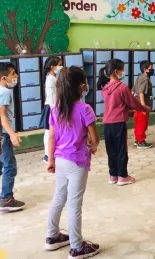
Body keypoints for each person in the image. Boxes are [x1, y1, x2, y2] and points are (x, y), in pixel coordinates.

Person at [45, 66, 101, 258]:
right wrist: (92, 147)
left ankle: (52, 237)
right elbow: (95, 139)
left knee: (59, 197)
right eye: (84, 81)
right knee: (75, 204)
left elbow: (52, 138)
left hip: (60, 160)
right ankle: (77, 247)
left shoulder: (55, 109)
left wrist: (51, 159)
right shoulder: (85, 109)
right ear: (80, 86)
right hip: (77, 162)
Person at [98, 59, 150, 186]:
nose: (123, 72)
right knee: (122, 150)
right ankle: (122, 176)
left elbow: (115, 105)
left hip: (107, 124)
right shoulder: (121, 87)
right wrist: (144, 108)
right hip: (119, 123)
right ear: (116, 72)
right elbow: (132, 102)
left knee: (111, 150)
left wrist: (127, 112)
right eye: (122, 70)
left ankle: (113, 175)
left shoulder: (105, 89)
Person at [0, 62, 24, 212]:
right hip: (4, 135)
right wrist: (12, 134)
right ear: (4, 77)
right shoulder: (5, 92)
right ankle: (7, 199)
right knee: (10, 166)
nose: (16, 76)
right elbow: (2, 115)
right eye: (13, 74)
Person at [41, 56, 63, 163]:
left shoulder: (53, 77)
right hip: (51, 107)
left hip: (54, 106)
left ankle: (51, 153)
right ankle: (47, 155)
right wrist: (56, 108)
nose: (60, 67)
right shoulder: (50, 78)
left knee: (52, 132)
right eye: (59, 65)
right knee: (49, 132)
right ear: (52, 67)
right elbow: (52, 96)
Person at [132, 60, 154, 149]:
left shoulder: (139, 77)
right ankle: (141, 142)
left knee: (138, 123)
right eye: (151, 68)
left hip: (137, 106)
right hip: (142, 106)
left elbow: (133, 90)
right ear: (145, 69)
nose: (152, 70)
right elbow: (141, 92)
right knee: (142, 124)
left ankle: (137, 140)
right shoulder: (145, 79)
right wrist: (143, 106)